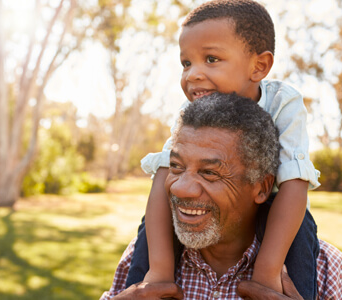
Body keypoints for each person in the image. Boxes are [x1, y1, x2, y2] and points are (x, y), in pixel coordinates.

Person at [127, 0, 321, 298]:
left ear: (259, 66)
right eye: (186, 63)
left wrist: (267, 273)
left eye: (211, 59)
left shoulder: (283, 102)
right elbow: (163, 178)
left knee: (302, 231)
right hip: (211, 214)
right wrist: (160, 268)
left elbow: (295, 183)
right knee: (150, 224)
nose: (192, 75)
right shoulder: (190, 112)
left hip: (277, 207)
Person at [101, 93, 342, 299]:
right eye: (177, 167)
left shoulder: (327, 270)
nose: (180, 188)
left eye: (210, 173)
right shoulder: (143, 258)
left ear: (261, 188)